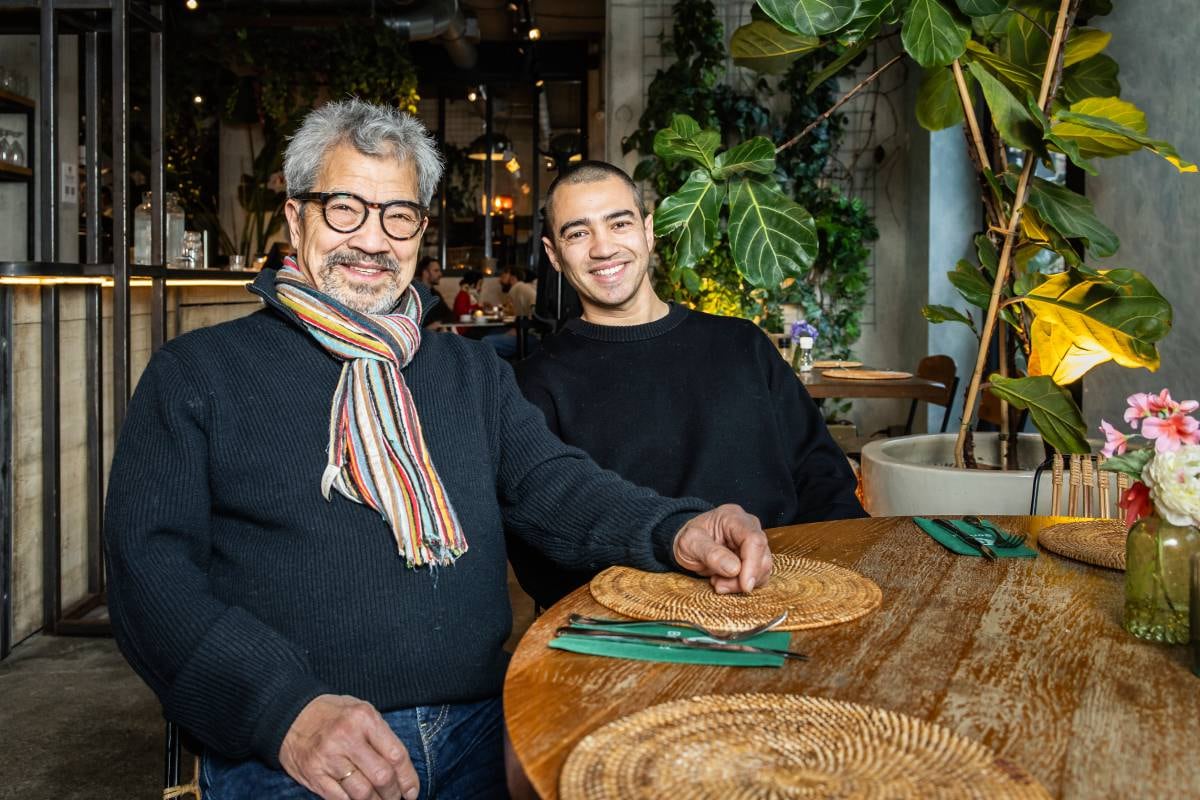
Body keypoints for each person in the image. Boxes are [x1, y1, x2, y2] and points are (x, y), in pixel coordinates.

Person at [103, 100, 773, 800]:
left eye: (398, 215)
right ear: (296, 217)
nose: (373, 239)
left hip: (483, 724)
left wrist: (677, 528)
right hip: (300, 747)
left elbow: (554, 485)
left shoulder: (466, 372)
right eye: (344, 209)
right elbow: (150, 577)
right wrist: (284, 712)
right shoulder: (197, 374)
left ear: (420, 231)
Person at [512, 160, 866, 609]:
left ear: (648, 230)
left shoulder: (741, 344)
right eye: (578, 233)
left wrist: (836, 572)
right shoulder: (535, 383)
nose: (603, 248)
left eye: (618, 223)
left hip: (789, 588)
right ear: (553, 254)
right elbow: (540, 544)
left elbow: (823, 476)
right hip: (636, 619)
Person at [483, 267, 538, 360]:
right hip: (526, 332)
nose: (500, 280)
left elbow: (534, 311)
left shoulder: (520, 288)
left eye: (503, 276)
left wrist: (520, 329)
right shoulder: (518, 289)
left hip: (532, 337)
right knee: (492, 332)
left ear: (513, 278)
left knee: (486, 341)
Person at [414, 255, 455, 326]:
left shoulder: (435, 293)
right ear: (425, 273)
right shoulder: (414, 294)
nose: (440, 274)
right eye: (436, 271)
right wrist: (427, 327)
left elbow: (450, 316)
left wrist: (438, 323)